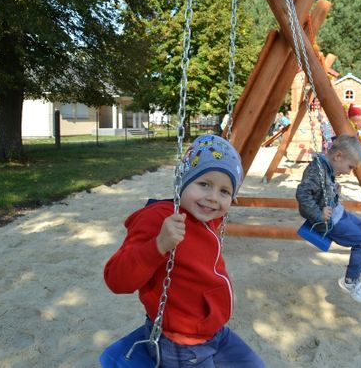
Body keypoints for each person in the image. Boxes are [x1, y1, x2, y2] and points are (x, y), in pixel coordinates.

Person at [104, 135, 266, 367]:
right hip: (179, 344)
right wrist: (158, 246)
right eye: (204, 184)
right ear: (183, 182)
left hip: (215, 333)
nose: (212, 198)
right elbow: (116, 280)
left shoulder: (206, 217)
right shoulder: (158, 219)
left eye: (224, 191)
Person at [296, 134, 361, 303]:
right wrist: (318, 215)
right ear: (338, 156)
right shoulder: (316, 170)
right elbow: (303, 195)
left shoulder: (327, 167)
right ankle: (351, 281)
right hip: (328, 222)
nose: (349, 172)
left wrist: (334, 193)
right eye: (350, 167)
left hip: (338, 212)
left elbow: (322, 191)